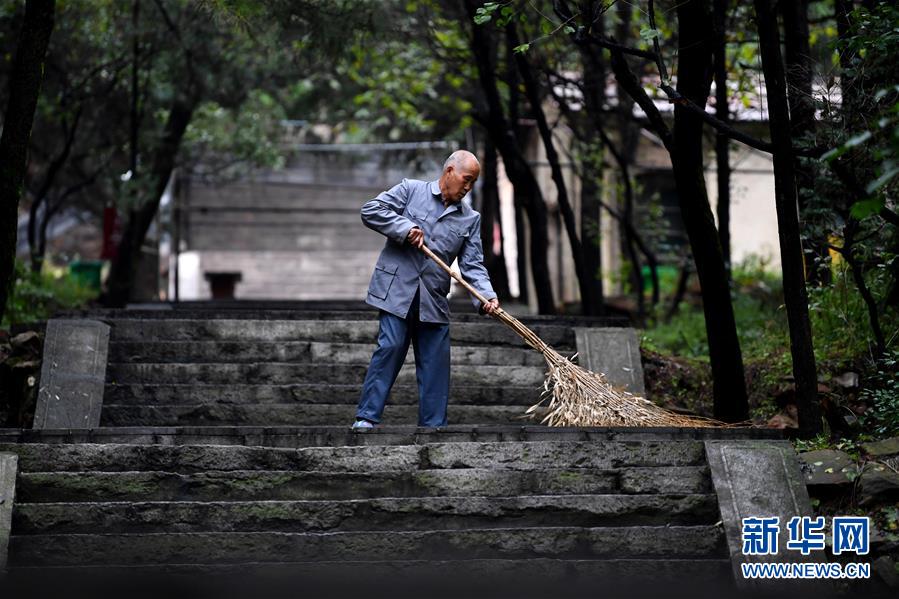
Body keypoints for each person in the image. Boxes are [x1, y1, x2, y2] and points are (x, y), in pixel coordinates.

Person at [351, 150, 500, 430]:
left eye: (473, 183)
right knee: (390, 347)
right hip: (396, 290)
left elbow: (473, 265)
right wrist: (404, 227)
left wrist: (486, 296)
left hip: (432, 298)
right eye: (466, 179)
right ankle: (366, 418)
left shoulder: (470, 219)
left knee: (436, 364)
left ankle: (433, 428)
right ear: (449, 172)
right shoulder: (410, 190)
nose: (468, 187)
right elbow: (370, 210)